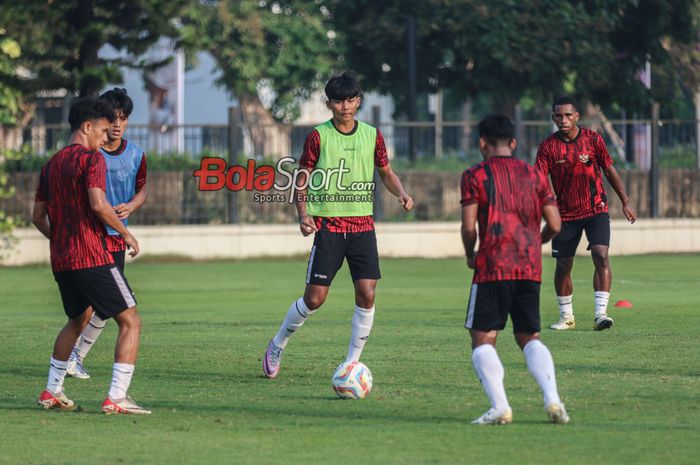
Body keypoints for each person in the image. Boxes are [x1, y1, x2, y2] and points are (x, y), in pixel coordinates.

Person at [262, 72, 414, 378]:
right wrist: (303, 214)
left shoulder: (372, 135)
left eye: (350, 100)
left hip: (362, 228)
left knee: (367, 293)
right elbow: (302, 176)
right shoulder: (319, 136)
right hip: (329, 228)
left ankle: (351, 364)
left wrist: (401, 192)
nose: (345, 106)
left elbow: (386, 172)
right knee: (314, 299)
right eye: (338, 101)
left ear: (358, 101)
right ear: (329, 103)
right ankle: (278, 342)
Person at [33, 97, 150, 414]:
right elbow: (98, 204)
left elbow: (37, 216)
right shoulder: (91, 159)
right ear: (86, 127)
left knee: (77, 320)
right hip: (92, 256)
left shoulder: (51, 164)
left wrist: (59, 239)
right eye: (101, 129)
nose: (105, 136)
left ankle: (51, 390)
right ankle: (117, 396)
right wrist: (126, 233)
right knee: (131, 321)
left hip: (61, 259)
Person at [461, 114, 568, 425]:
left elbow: (469, 227)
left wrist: (471, 254)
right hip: (528, 266)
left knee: (482, 338)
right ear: (514, 142)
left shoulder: (475, 175)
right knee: (529, 336)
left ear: (482, 143)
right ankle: (553, 400)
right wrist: (536, 241)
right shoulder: (534, 176)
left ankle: (500, 406)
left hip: (493, 265)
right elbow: (556, 224)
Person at [535, 96, 637, 331]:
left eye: (568, 115)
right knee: (563, 265)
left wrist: (625, 200)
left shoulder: (593, 140)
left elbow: (609, 170)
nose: (563, 120)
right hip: (564, 215)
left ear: (576, 117)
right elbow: (538, 181)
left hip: (595, 208)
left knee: (601, 254)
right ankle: (566, 317)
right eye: (558, 116)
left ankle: (601, 314)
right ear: (553, 118)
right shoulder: (548, 147)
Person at [66, 88, 148, 379]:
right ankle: (72, 358)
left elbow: (142, 191)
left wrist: (131, 207)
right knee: (108, 304)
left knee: (107, 305)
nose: (116, 125)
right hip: (92, 235)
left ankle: (73, 357)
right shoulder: (90, 152)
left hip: (114, 236)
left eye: (122, 119)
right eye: (111, 119)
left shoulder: (137, 154)